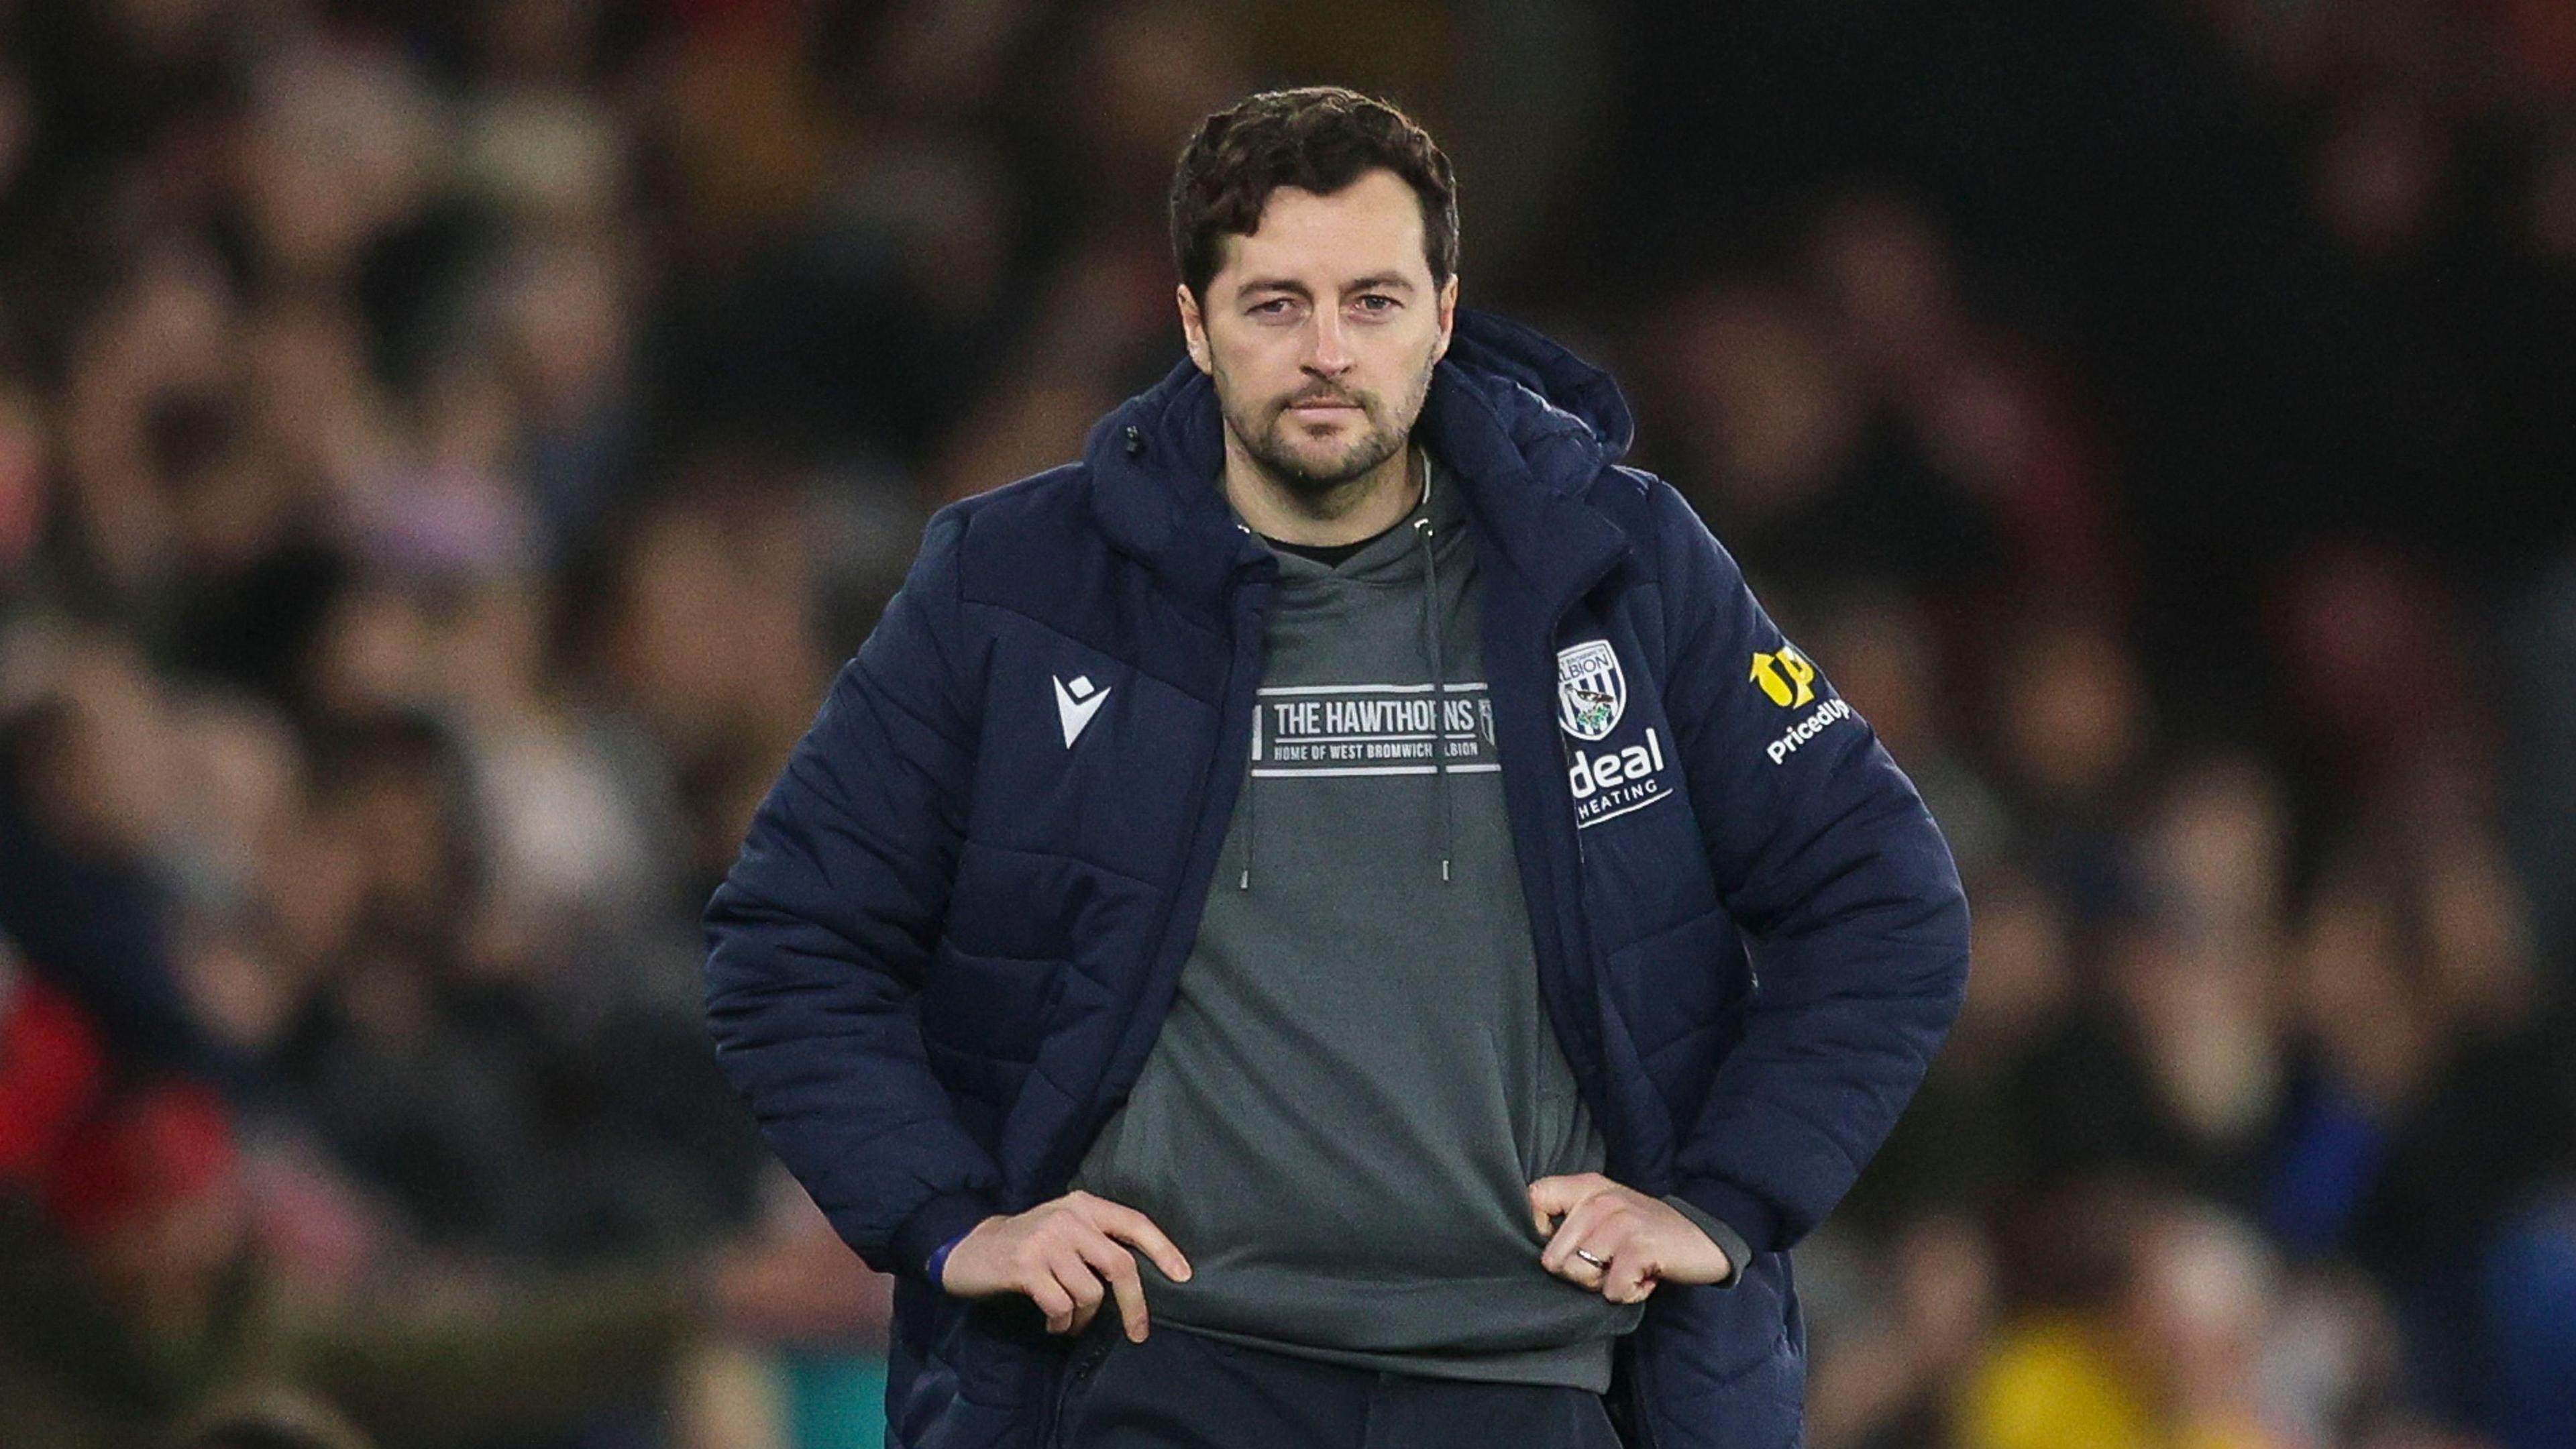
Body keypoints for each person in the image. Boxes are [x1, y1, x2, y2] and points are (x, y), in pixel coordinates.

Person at [703, 86, 1970, 1448]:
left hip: (1536, 1386)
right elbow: (793, 936)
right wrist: (951, 1225)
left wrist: (1725, 1202)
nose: (1325, 351)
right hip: (1152, 1381)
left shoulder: (1619, 564)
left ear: (1444, 310)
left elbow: (1884, 900)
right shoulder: (1017, 586)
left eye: (1372, 301)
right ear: (1194, 323)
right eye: (1274, 304)